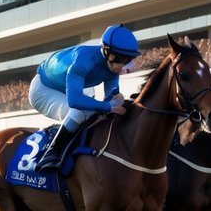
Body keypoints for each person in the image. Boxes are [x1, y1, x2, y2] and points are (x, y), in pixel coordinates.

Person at [28, 24, 139, 172]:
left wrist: (121, 103)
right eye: (123, 60)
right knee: (78, 112)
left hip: (65, 88)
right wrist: (108, 106)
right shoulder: (83, 60)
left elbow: (111, 99)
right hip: (43, 89)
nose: (125, 66)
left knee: (109, 106)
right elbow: (74, 101)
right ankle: (52, 153)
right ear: (109, 54)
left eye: (129, 60)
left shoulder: (112, 68)